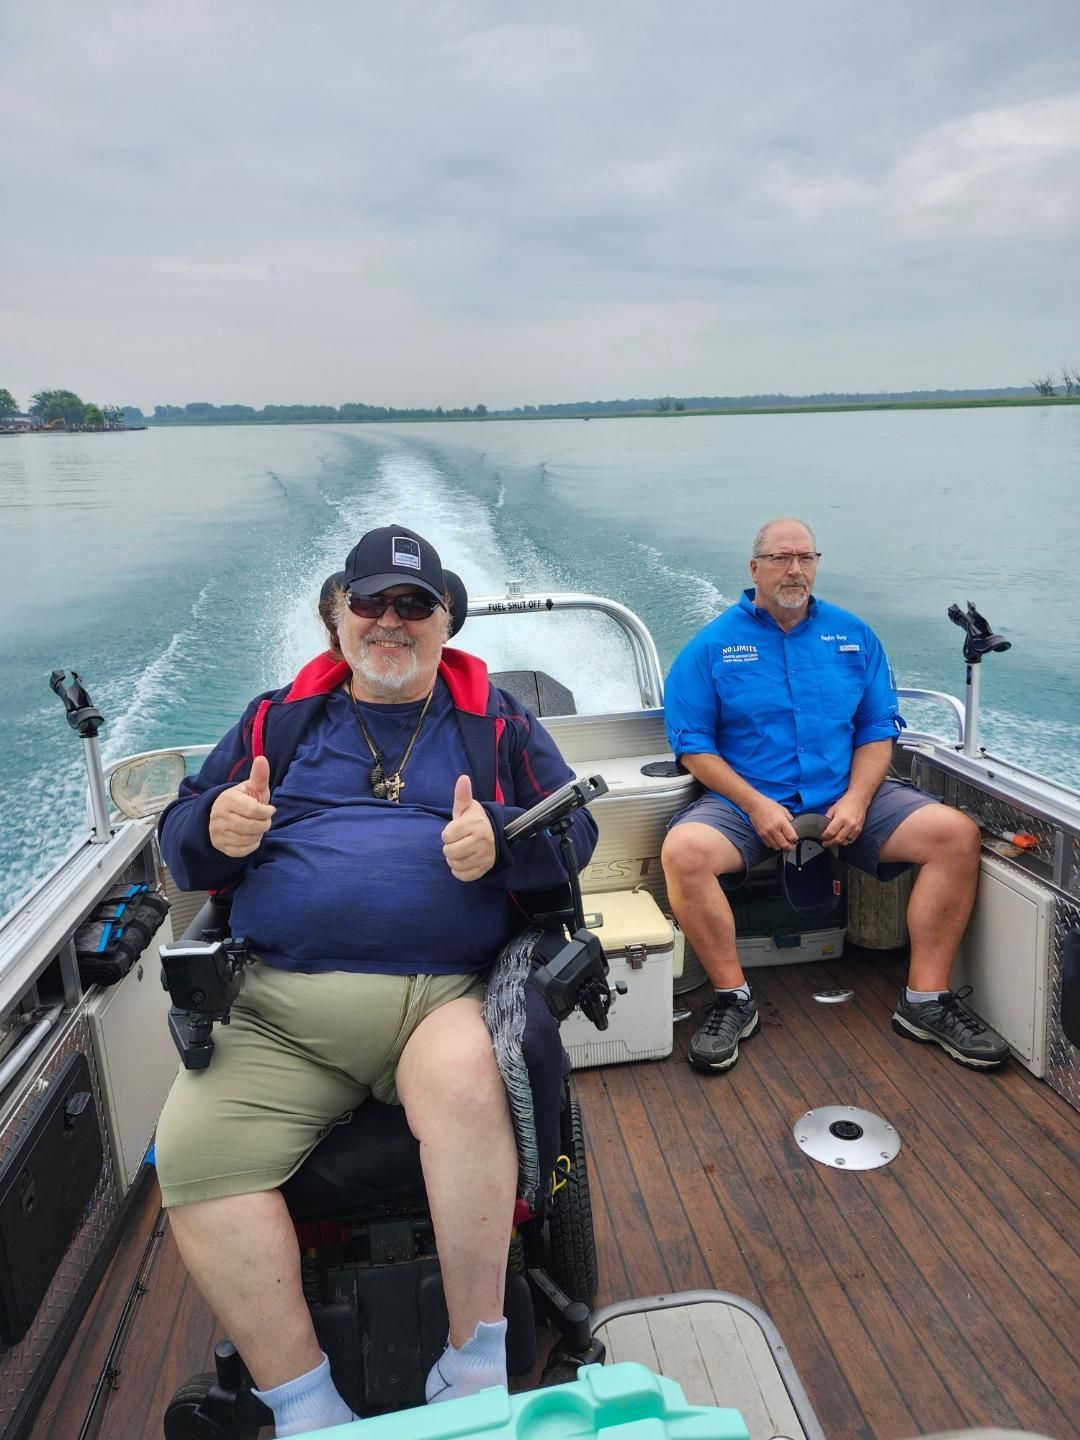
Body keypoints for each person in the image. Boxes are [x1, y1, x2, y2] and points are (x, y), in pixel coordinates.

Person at [155, 524, 597, 1438]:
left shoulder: (499, 724)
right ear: (338, 617)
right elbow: (179, 838)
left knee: (472, 1083)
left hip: (443, 997)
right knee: (192, 1150)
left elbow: (575, 836)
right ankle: (304, 1402)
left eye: (414, 605)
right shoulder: (277, 720)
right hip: (280, 1009)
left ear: (446, 624)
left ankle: (475, 1364)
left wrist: (506, 843)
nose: (390, 621)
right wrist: (216, 830)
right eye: (371, 602)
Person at [661, 516, 1008, 1076]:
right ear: (754, 569)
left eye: (805, 557)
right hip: (747, 804)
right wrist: (755, 804)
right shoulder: (710, 648)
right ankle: (733, 999)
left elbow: (877, 730)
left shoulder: (854, 636)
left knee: (954, 835)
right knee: (685, 854)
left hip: (848, 796)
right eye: (780, 558)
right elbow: (692, 747)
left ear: (816, 565)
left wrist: (857, 800)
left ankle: (925, 1001)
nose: (794, 569)